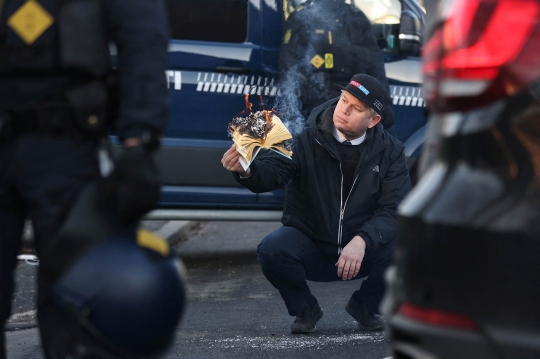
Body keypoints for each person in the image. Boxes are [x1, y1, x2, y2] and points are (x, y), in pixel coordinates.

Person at [0, 0, 173, 357]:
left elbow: (142, 35)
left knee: (72, 299)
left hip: (66, 141)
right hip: (57, 144)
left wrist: (139, 136)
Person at [222, 73, 411, 333]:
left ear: (373, 120)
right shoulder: (303, 138)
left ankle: (366, 306)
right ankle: (305, 308)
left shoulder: (392, 151)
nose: (343, 110)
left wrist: (362, 240)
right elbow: (273, 174)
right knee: (272, 248)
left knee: (409, 246)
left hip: (359, 252)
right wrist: (246, 172)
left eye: (356, 108)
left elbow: (394, 209)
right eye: (343, 100)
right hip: (312, 246)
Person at [278, 0, 396, 134]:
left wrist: (384, 105)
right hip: (318, 104)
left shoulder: (356, 17)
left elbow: (375, 66)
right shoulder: (302, 18)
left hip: (356, 101)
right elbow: (288, 70)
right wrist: (294, 113)